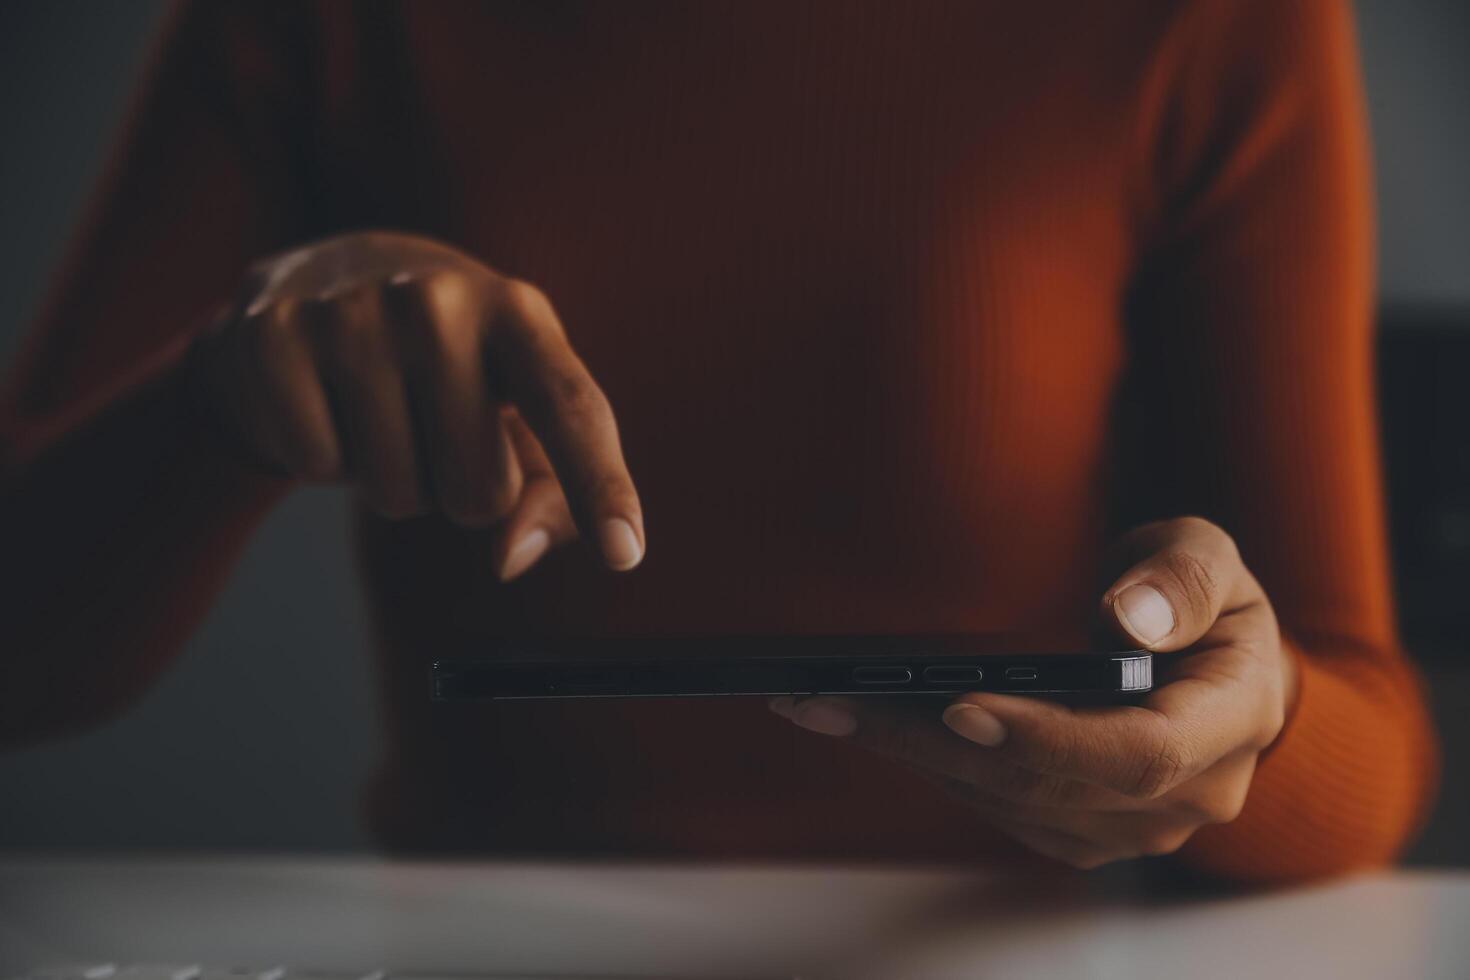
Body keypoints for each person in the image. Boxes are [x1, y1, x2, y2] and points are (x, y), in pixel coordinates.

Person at [0, 0, 1439, 882]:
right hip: (465, 945)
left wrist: (1249, 732)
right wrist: (222, 400)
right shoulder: (317, 18)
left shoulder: (1206, 15)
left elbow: (1360, 732)